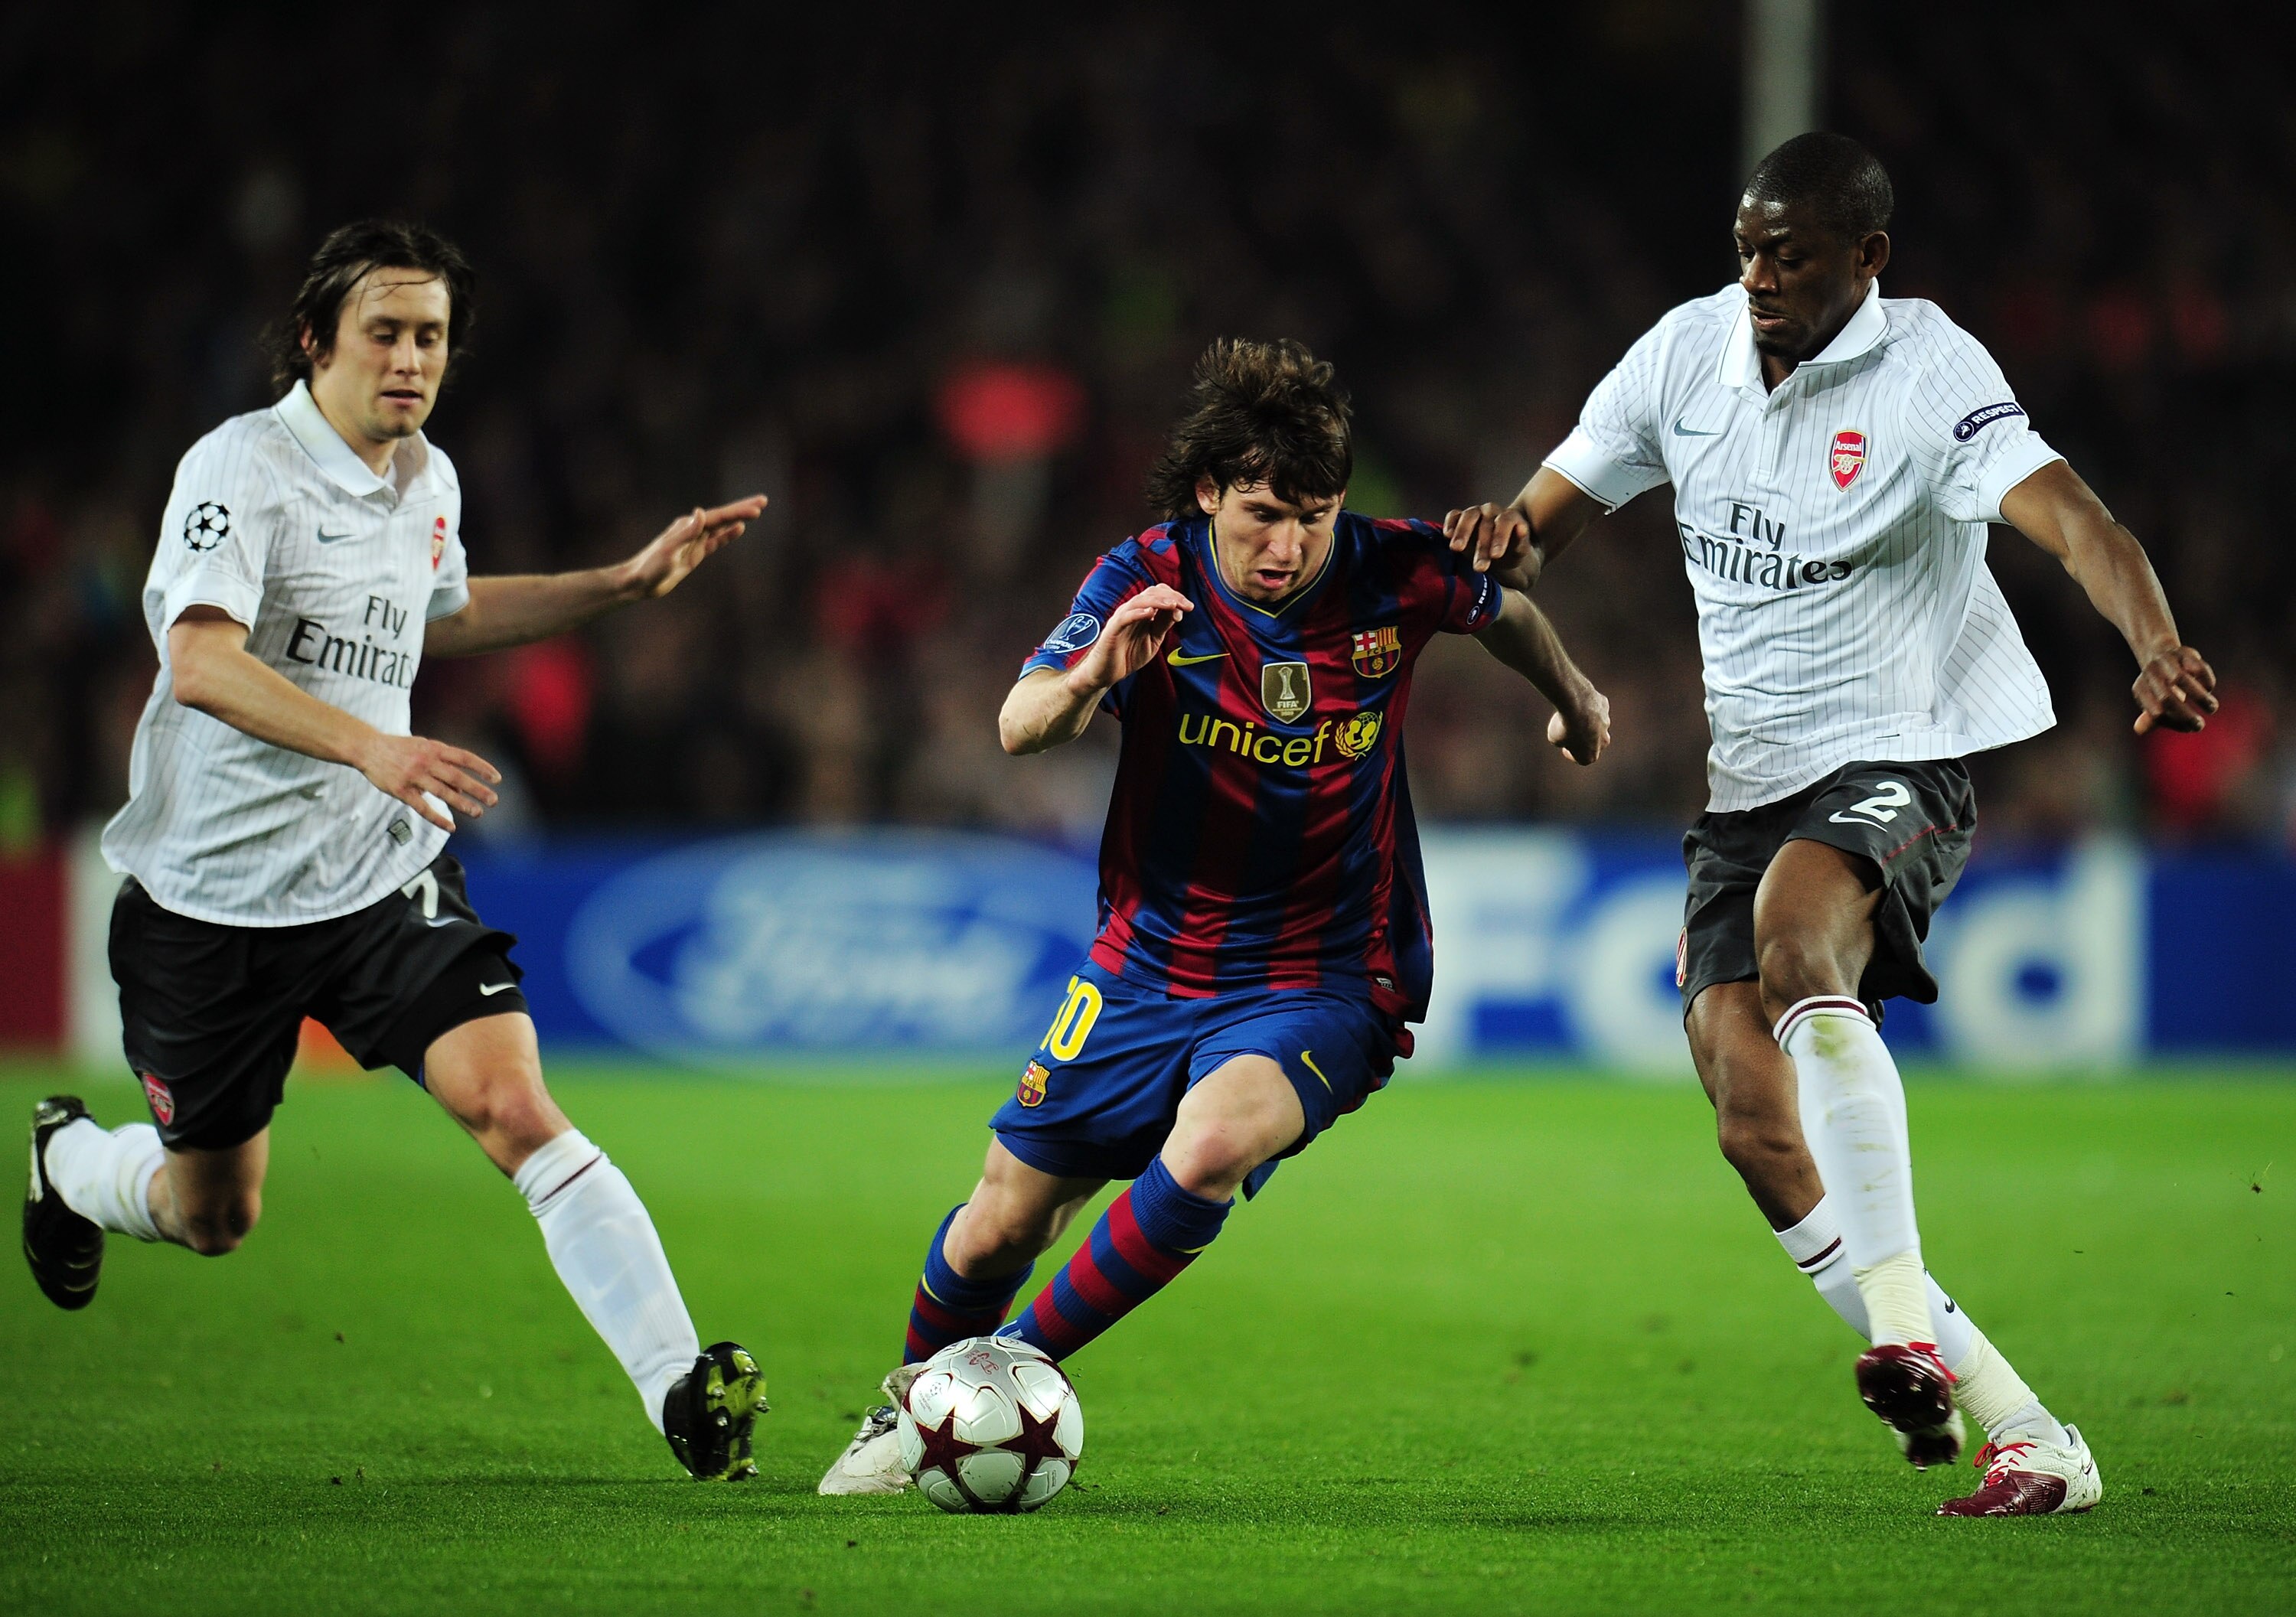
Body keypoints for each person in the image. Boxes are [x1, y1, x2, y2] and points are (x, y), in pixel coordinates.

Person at [1445, 133, 2218, 1516]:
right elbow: (1542, 528)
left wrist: (2153, 641)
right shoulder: (1684, 358)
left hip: (1905, 752)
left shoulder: (1932, 372)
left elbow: (2074, 518)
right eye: (1746, 246)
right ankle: (2026, 1427)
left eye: (1790, 252)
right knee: (1754, 1122)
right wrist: (1502, 545)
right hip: (1751, 781)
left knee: (1800, 943)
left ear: (1867, 257)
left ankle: (1902, 1328)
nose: (1759, 274)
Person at [21, 220, 771, 1482]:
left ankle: (680, 1393)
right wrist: (371, 747)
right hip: (211, 904)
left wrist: (622, 585)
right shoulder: (240, 468)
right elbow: (199, 661)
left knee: (516, 1105)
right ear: (318, 340)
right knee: (214, 1214)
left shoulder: (427, 476)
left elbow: (451, 612)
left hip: (377, 875)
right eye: (386, 331)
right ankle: (67, 1159)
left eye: (432, 336)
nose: (412, 358)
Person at [819, 337, 1613, 1495]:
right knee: (998, 1224)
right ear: (1208, 493)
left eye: (1314, 514)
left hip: (1332, 972)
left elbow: (1507, 614)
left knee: (1213, 1141)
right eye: (1261, 514)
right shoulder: (1144, 575)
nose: (1287, 545)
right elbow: (1016, 722)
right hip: (1148, 961)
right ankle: (907, 1401)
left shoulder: (1394, 570)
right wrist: (1095, 673)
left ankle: (992, 1384)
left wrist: (1577, 696)